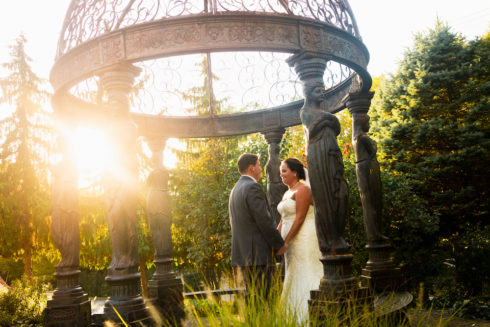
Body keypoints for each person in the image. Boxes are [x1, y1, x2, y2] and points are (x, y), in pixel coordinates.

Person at [300, 81, 349, 255]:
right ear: (308, 93)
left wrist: (327, 119)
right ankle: (330, 238)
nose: (322, 93)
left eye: (323, 89)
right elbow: (312, 131)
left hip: (332, 154)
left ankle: (338, 235)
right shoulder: (305, 112)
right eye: (317, 90)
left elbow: (337, 127)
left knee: (341, 193)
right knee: (324, 197)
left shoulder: (323, 114)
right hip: (318, 155)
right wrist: (327, 119)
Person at [229, 153, 287, 298]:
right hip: (258, 257)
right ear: (252, 168)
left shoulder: (235, 189)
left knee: (252, 304)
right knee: (263, 301)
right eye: (259, 165)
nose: (261, 169)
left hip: (242, 257)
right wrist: (279, 245)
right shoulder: (253, 187)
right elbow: (264, 221)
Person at [277, 158, 323, 322]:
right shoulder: (286, 193)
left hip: (304, 239)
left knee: (306, 270)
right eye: (280, 171)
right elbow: (283, 220)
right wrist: (276, 240)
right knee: (292, 273)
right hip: (290, 244)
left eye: (284, 171)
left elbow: (300, 217)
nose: (281, 174)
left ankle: (310, 316)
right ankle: (291, 317)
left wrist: (286, 241)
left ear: (295, 172)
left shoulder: (304, 189)